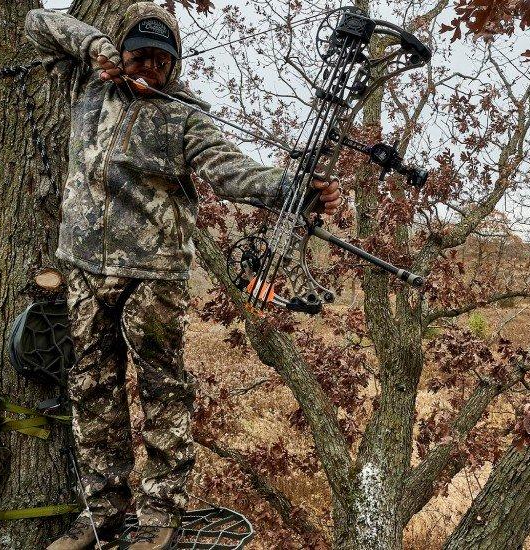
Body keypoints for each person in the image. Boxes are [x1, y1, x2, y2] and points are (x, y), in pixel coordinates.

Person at [24, 3, 342, 549]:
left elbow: (230, 171)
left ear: (175, 65)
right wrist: (97, 48)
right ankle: (101, 513)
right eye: (139, 55)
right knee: (91, 387)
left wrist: (295, 189)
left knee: (162, 389)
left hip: (153, 274)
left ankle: (159, 515)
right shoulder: (91, 84)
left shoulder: (185, 117)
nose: (150, 68)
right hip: (83, 266)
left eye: (161, 60)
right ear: (120, 52)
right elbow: (36, 23)